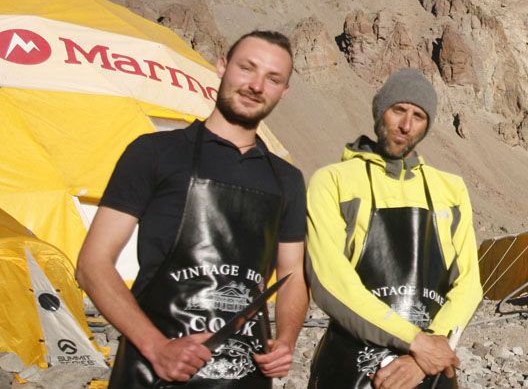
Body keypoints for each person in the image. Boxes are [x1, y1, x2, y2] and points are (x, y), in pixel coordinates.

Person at [76, 30, 308, 388]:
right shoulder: (154, 152)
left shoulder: (287, 180)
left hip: (243, 377)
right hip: (153, 371)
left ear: (284, 91)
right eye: (247, 68)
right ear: (221, 65)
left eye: (273, 78)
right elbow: (93, 263)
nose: (256, 85)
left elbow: (292, 274)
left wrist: (287, 341)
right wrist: (157, 347)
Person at [306, 68, 482, 389]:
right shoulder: (333, 181)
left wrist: (425, 353)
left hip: (428, 365)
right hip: (353, 368)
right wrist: (417, 343)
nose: (406, 125)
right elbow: (329, 279)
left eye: (418, 115)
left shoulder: (451, 190)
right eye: (398, 110)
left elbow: (469, 284)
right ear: (380, 111)